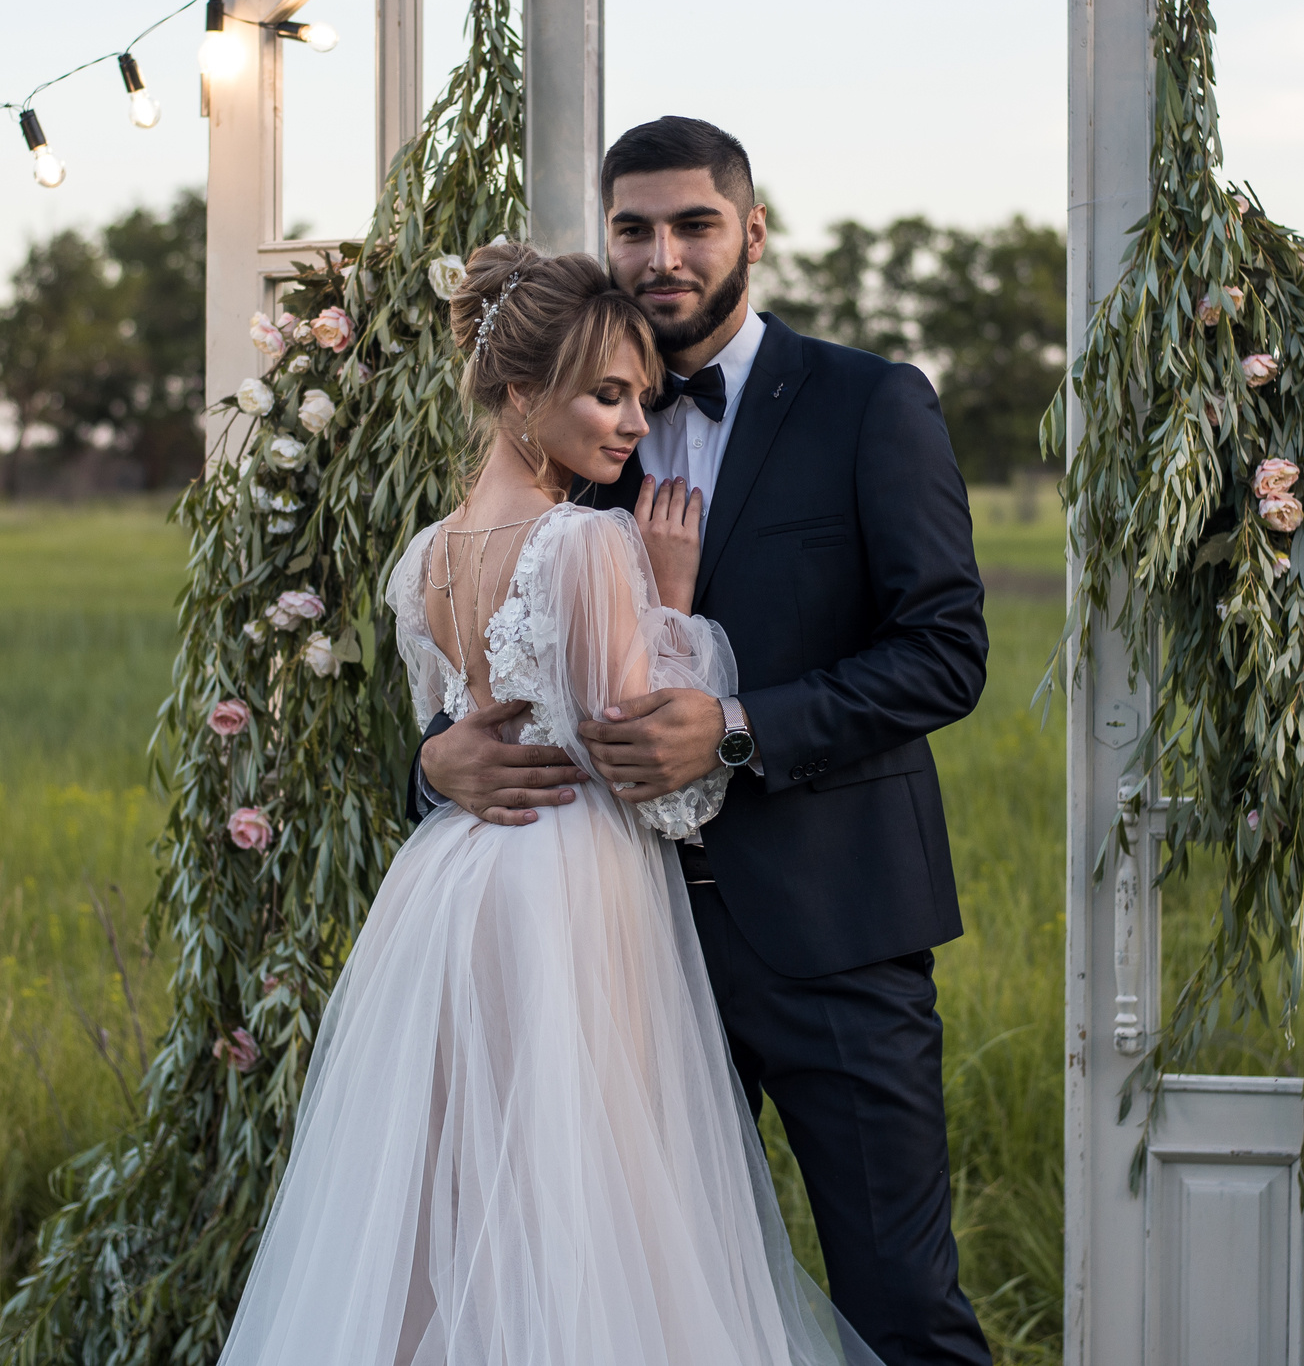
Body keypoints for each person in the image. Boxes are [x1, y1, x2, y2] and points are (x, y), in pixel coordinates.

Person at [218, 243, 881, 1366]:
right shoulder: (588, 542)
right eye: (605, 394)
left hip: (455, 882)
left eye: (639, 397)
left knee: (464, 1185)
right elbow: (649, 768)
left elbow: (457, 731)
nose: (631, 424)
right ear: (522, 394)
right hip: (571, 874)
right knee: (583, 1186)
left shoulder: (421, 557)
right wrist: (670, 599)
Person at [415, 118, 995, 1366]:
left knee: (899, 1304)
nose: (662, 254)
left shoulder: (868, 403)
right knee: (635, 1308)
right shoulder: (567, 430)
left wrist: (732, 728)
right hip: (611, 949)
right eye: (633, 226)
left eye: (693, 224)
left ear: (751, 234)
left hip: (832, 932)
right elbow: (496, 642)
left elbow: (945, 651)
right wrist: (434, 759)